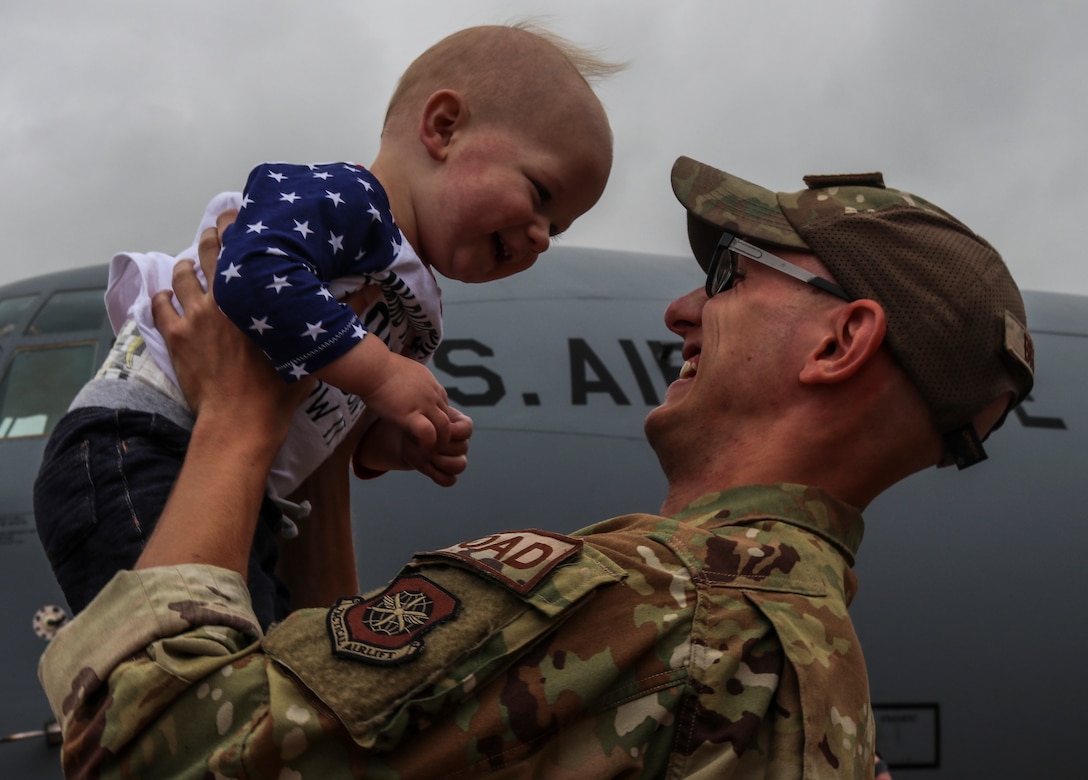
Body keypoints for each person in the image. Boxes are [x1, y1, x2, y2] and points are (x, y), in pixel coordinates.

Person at [37, 158, 1034, 778]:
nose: (681, 310)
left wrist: (239, 425)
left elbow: (146, 754)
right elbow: (324, 722)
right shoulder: (829, 701)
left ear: (837, 345)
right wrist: (327, 439)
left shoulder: (634, 609)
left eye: (729, 276)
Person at [32, 23, 616, 628]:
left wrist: (394, 442)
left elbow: (335, 417)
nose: (544, 236)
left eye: (561, 227)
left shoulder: (414, 297)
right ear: (443, 127)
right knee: (190, 658)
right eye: (540, 193)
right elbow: (250, 271)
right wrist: (383, 372)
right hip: (140, 442)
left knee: (259, 662)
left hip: (243, 490)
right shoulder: (348, 200)